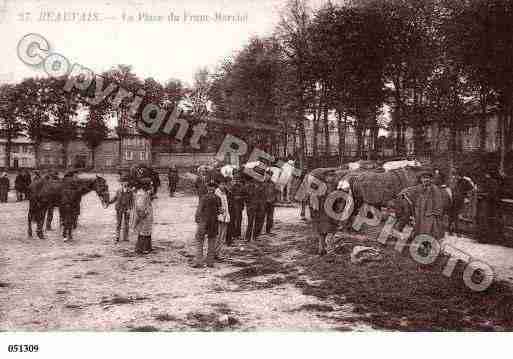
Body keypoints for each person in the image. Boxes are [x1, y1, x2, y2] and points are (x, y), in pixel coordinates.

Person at [193, 180, 221, 268]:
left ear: (208, 188)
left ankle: (199, 261)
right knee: (212, 241)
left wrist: (197, 219)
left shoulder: (204, 198)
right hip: (213, 223)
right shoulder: (218, 198)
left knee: (199, 241)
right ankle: (210, 262)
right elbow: (220, 211)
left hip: (203, 222)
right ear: (215, 188)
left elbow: (199, 210)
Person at [475, 170, 503, 243]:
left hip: (489, 203)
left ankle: (484, 238)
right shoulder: (491, 182)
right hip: (488, 203)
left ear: (489, 175)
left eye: (487, 174)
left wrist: (483, 195)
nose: (485, 175)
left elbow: (492, 193)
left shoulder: (492, 182)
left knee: (484, 220)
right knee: (483, 219)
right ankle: (483, 237)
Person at [109, 176, 134, 242]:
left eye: (126, 182)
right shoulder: (118, 191)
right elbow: (115, 198)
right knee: (118, 223)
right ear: (121, 183)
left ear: (128, 183)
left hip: (127, 209)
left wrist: (129, 209)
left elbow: (132, 201)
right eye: (123, 182)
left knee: (126, 223)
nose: (125, 183)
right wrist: (109, 202)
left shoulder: (130, 191)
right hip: (119, 208)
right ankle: (117, 237)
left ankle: (125, 237)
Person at [133, 178, 154, 254]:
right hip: (144, 216)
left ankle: (147, 247)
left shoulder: (144, 193)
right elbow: (140, 206)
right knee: (143, 232)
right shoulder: (141, 194)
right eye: (149, 185)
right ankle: (140, 248)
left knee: (147, 231)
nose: (150, 187)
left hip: (147, 216)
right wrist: (143, 214)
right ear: (145, 186)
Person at [226, 175, 246, 244]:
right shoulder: (231, 188)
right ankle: (233, 234)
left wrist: (240, 197)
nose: (236, 181)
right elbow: (228, 197)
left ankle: (238, 233)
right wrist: (234, 197)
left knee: (239, 220)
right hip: (232, 206)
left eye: (238, 180)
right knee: (232, 220)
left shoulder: (242, 188)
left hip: (239, 206)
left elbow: (245, 196)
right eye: (235, 180)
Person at [215, 178, 230, 258]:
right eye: (222, 184)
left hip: (225, 217)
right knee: (218, 236)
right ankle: (215, 252)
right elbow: (218, 206)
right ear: (218, 184)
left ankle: (218, 252)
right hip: (219, 217)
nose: (223, 186)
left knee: (222, 236)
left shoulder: (224, 193)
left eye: (224, 184)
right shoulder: (217, 193)